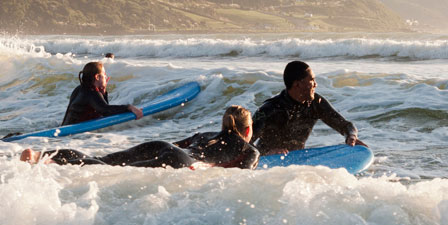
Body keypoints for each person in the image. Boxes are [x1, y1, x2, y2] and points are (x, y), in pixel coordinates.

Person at [20, 105, 259, 169]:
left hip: (162, 146)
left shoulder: (207, 134)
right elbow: (241, 178)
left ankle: (43, 156)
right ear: (248, 130)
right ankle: (47, 163)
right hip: (184, 163)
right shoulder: (250, 151)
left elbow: (177, 145)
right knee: (110, 170)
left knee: (103, 160)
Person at [252, 60, 358, 155]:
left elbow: (345, 126)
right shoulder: (269, 109)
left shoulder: (316, 104)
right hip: (267, 164)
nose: (315, 84)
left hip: (297, 160)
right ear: (298, 84)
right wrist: (266, 153)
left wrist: (351, 136)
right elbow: (243, 143)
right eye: (312, 80)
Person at [61, 61, 142, 125]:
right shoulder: (91, 92)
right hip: (73, 134)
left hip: (65, 128)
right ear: (97, 77)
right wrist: (129, 107)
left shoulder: (79, 89)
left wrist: (103, 93)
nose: (106, 77)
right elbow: (105, 111)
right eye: (104, 74)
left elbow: (103, 108)